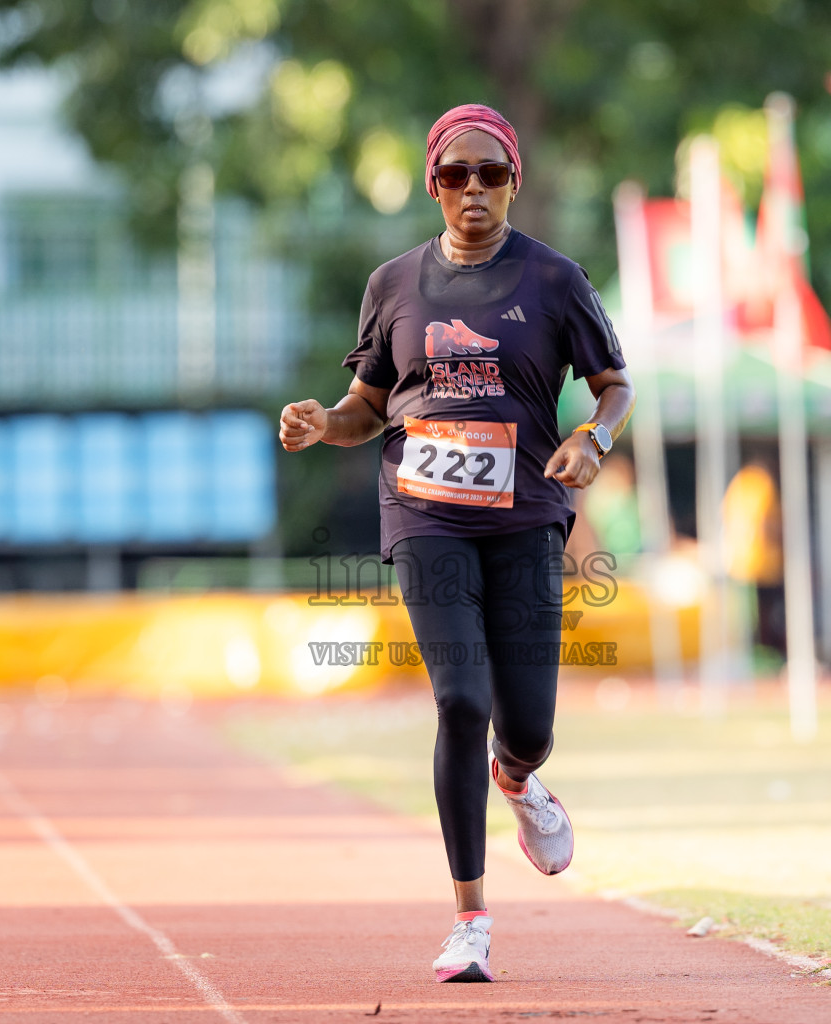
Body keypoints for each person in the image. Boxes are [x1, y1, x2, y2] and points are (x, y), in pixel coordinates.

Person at [278, 104, 634, 983]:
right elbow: (366, 407)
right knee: (460, 701)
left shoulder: (555, 280)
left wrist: (593, 439)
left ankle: (518, 781)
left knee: (529, 729)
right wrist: (326, 422)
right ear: (432, 183)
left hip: (526, 519)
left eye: (491, 174)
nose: (472, 190)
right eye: (454, 175)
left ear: (515, 180)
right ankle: (470, 919)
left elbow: (614, 385)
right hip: (424, 514)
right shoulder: (393, 284)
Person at [721, 456, 786, 656]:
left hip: (741, 565)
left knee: (748, 615)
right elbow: (767, 525)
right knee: (764, 615)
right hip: (762, 564)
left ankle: (754, 650)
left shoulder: (741, 486)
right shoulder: (761, 486)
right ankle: (763, 651)